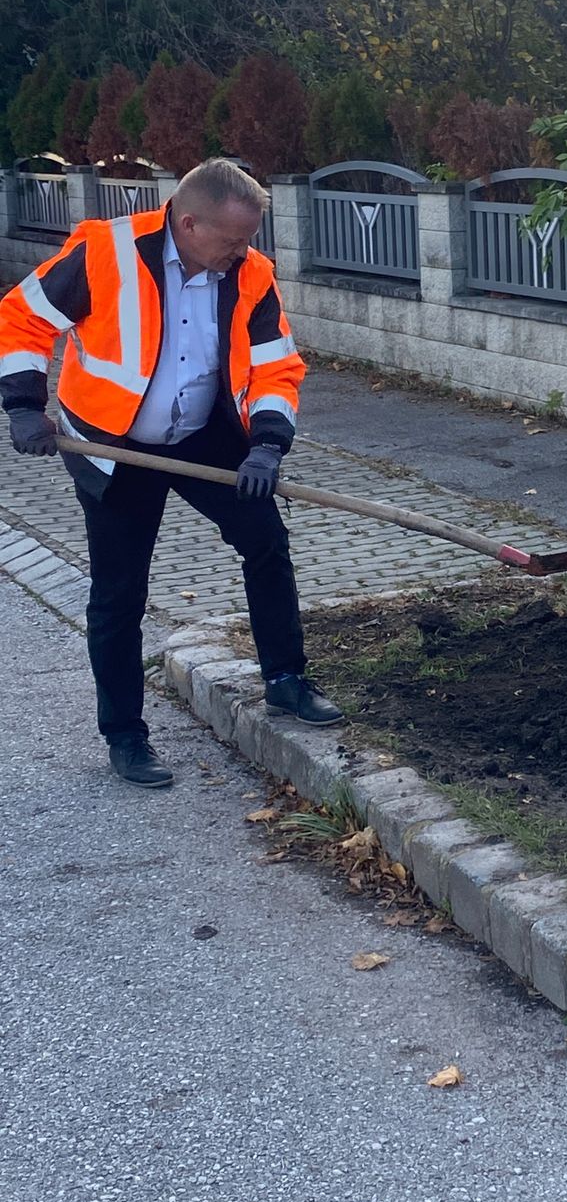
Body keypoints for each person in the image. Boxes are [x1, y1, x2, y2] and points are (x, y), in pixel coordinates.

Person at [0, 157, 343, 786]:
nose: (244, 252)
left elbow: (275, 367)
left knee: (266, 541)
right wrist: (24, 406)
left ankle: (286, 680)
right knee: (119, 592)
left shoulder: (251, 276)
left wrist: (266, 446)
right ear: (188, 222)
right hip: (114, 445)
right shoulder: (106, 253)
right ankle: (126, 736)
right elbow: (21, 317)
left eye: (249, 240)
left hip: (202, 435)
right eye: (233, 239)